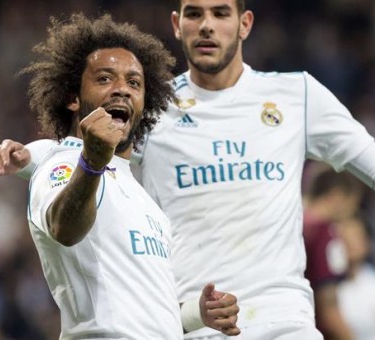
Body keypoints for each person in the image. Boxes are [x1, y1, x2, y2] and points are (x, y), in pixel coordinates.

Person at [0, 1, 375, 338]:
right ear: (177, 24)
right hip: (194, 326)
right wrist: (31, 156)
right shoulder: (154, 110)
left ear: (245, 23)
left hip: (283, 320)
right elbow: (87, 144)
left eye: (220, 13)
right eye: (194, 13)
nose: (207, 26)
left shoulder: (296, 96)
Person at [16, 13, 240, 339]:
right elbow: (64, 228)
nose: (122, 89)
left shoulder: (144, 200)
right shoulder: (59, 165)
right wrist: (91, 162)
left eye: (134, 83)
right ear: (73, 97)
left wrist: (197, 314)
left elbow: (143, 314)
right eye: (105, 79)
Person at [303, 166, 364, 339]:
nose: (350, 215)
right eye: (352, 206)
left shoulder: (289, 225)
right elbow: (329, 309)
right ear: (337, 196)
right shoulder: (325, 235)